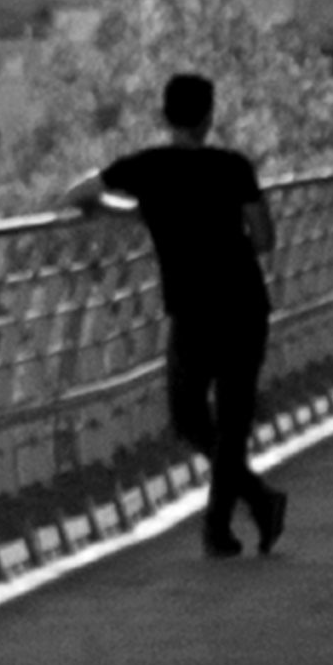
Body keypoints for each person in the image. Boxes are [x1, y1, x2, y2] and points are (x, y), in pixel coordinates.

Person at [83, 72, 285, 555]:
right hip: (242, 304)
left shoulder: (146, 167)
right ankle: (242, 512)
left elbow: (79, 196)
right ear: (209, 117)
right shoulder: (233, 166)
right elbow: (264, 238)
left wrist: (140, 213)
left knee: (189, 417)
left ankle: (235, 518)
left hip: (190, 309)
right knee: (233, 420)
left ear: (164, 115)